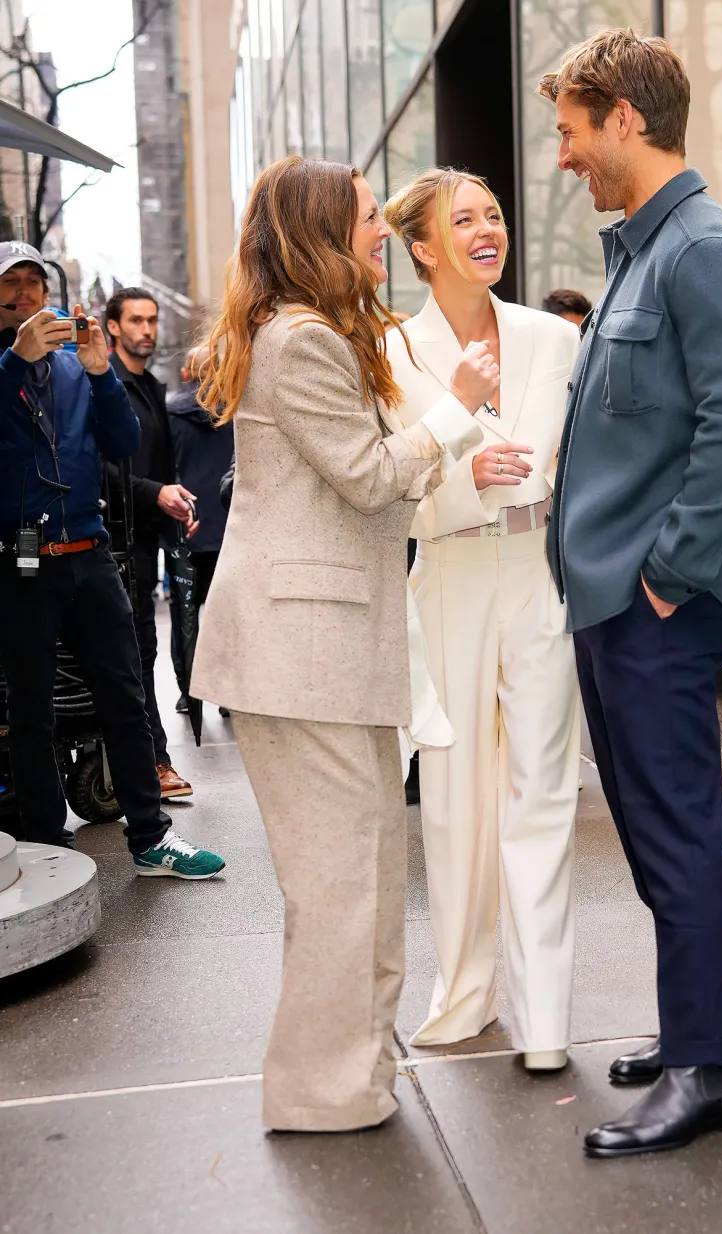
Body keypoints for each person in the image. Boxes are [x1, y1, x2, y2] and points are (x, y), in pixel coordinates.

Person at [191, 155, 485, 1132]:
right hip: (300, 654)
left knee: (364, 877)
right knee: (339, 888)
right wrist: (456, 413)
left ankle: (355, 1075)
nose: (380, 229)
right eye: (365, 215)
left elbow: (370, 487)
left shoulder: (310, 333)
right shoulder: (302, 340)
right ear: (320, 230)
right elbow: (368, 478)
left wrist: (432, 453)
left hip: (329, 651)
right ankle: (320, 1091)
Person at [539, 29, 722, 1156]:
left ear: (625, 120)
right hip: (615, 601)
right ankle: (700, 1026)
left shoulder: (705, 252)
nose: (563, 155)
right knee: (650, 829)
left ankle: (706, 1070)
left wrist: (670, 576)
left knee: (676, 829)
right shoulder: (644, 253)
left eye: (572, 131)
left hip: (654, 604)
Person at [384, 168, 581, 1071]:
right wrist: (463, 482)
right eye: (461, 219)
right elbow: (389, 492)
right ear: (424, 247)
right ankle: (464, 996)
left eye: (493, 214)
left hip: (538, 571)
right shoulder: (390, 351)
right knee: (455, 798)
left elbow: (569, 462)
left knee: (542, 790)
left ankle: (545, 1023)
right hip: (451, 576)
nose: (485, 229)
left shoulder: (554, 338)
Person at [0, 240, 224, 878]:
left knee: (125, 697)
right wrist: (15, 363)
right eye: (10, 283)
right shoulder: (5, 366)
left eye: (34, 282)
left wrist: (100, 372)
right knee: (31, 709)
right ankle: (47, 843)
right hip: (21, 558)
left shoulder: (75, 365)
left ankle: (151, 837)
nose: (24, 294)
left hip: (90, 550)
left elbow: (124, 441)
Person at [105, 287, 194, 798]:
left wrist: (174, 505)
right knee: (133, 656)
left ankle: (150, 763)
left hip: (147, 539)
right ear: (113, 327)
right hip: (114, 542)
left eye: (152, 320)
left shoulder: (150, 386)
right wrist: (154, 493)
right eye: (136, 320)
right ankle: (152, 764)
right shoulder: (105, 385)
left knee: (144, 652)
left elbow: (161, 466)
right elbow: (100, 467)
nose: (147, 329)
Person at [166, 345, 235, 714]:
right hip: (230, 531)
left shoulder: (170, 414)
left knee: (185, 613)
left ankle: (189, 692)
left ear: (186, 373)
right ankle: (228, 695)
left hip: (186, 529)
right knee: (229, 616)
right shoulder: (237, 411)